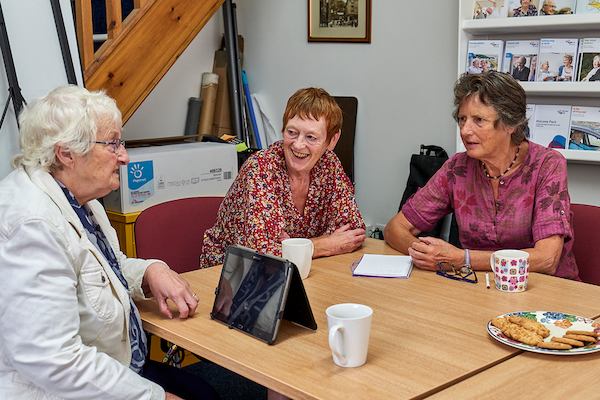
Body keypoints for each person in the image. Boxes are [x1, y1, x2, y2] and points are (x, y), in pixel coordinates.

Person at [0, 86, 218, 400]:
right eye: (113, 143)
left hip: (117, 362)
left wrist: (149, 272)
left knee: (204, 392)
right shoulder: (32, 225)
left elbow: (103, 267)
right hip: (56, 389)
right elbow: (55, 361)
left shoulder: (80, 199)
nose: (125, 157)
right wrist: (155, 398)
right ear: (66, 153)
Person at [384, 71, 578, 280]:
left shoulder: (547, 164)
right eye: (462, 119)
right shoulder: (457, 168)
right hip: (481, 291)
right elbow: (394, 229)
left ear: (510, 124)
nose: (465, 131)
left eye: (479, 120)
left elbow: (547, 259)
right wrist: (429, 255)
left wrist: (462, 259)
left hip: (547, 294)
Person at [200, 87, 366, 268]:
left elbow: (353, 231)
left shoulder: (329, 163)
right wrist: (321, 245)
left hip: (298, 269)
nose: (298, 144)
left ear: (332, 140)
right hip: (230, 273)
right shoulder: (261, 168)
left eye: (311, 137)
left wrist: (291, 246)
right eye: (292, 132)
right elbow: (259, 252)